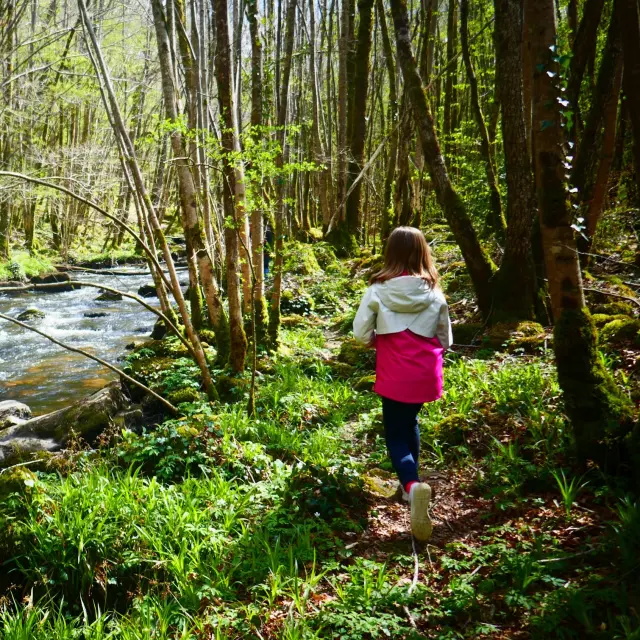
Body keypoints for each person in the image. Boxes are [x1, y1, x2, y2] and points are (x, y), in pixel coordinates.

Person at [353, 226, 452, 542]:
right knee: (410, 421)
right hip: (425, 372)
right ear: (423, 252)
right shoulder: (435, 293)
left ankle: (411, 485)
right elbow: (446, 338)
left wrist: (374, 340)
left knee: (394, 434)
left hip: (395, 371)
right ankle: (411, 486)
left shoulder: (378, 291)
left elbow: (359, 333)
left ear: (390, 254)